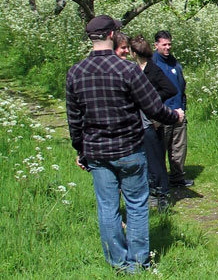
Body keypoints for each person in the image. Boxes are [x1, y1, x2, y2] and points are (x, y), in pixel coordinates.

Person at [65, 15, 183, 273]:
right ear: (110, 36)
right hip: (129, 149)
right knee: (137, 204)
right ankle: (138, 263)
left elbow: (74, 119)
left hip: (97, 152)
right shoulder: (127, 69)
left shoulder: (76, 72)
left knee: (107, 207)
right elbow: (153, 106)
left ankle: (118, 263)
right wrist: (175, 116)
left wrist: (80, 150)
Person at [130, 34, 178, 211]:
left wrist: (151, 99)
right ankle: (150, 192)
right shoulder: (133, 69)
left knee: (156, 159)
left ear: (134, 52)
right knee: (143, 159)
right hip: (136, 121)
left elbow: (171, 89)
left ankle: (163, 194)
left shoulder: (153, 69)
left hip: (151, 121)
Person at [153, 30, 192, 187]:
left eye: (169, 44)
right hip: (162, 113)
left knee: (178, 148)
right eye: (164, 45)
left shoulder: (174, 62)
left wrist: (182, 107)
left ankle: (177, 178)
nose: (167, 48)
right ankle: (159, 182)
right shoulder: (153, 64)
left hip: (179, 112)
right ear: (156, 45)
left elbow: (181, 86)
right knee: (160, 149)